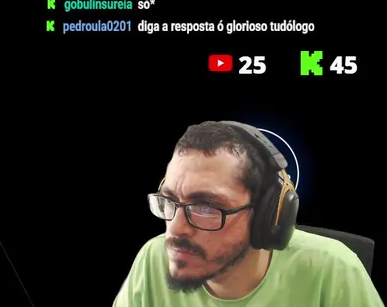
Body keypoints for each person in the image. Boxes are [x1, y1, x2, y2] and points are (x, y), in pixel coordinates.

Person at [113, 121, 383, 305]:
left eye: (206, 207)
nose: (176, 229)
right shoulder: (153, 258)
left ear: (269, 214)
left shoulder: (334, 270)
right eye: (169, 200)